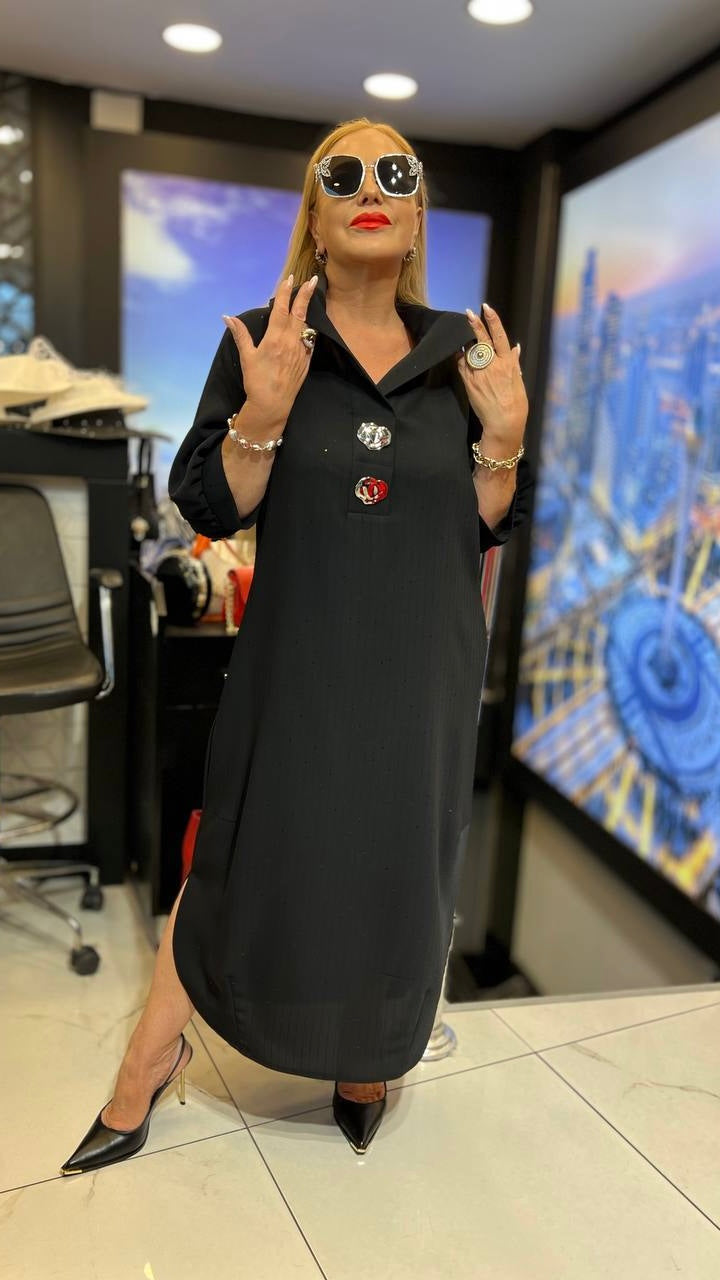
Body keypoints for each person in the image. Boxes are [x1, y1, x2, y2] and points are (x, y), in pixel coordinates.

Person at [61, 115, 532, 1170]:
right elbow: (208, 507)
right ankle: (151, 1057)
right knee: (238, 843)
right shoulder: (265, 338)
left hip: (423, 665)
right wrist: (263, 413)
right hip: (300, 655)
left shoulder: (464, 354)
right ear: (315, 215)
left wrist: (501, 444)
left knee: (397, 861)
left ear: (416, 214)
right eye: (343, 173)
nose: (371, 188)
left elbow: (486, 521)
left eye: (395, 173)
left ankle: (365, 1056)